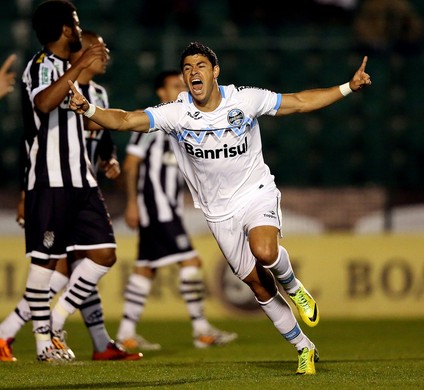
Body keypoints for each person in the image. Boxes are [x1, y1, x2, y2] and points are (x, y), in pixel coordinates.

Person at [67, 41, 371, 375]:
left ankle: (296, 288)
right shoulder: (177, 113)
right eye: (186, 68)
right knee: (257, 284)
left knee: (265, 251)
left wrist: (348, 87)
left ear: (215, 71)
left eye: (199, 65)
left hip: (255, 192)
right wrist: (89, 110)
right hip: (217, 212)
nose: (192, 72)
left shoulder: (244, 100)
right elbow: (125, 120)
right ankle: (304, 348)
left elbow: (298, 102)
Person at [0, 29, 141, 362]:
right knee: (62, 269)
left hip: (83, 185)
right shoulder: (55, 81)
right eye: (100, 47)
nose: (105, 53)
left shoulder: (99, 94)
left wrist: (109, 158)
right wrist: (24, 193)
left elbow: (102, 133)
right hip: (53, 187)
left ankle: (94, 339)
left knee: (87, 264)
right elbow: (33, 141)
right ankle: (19, 332)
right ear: (83, 53)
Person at [18, 0, 121, 362]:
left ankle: (58, 318)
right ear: (64, 29)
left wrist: (110, 148)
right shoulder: (42, 65)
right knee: (45, 262)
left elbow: (84, 121)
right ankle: (43, 343)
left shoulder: (72, 75)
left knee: (105, 254)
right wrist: (79, 65)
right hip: (50, 180)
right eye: (75, 24)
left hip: (82, 180)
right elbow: (44, 104)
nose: (79, 30)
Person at [116, 70, 237, 351]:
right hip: (158, 211)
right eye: (174, 85)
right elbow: (131, 165)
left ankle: (125, 333)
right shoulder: (151, 123)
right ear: (160, 92)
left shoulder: (180, 122)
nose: (181, 89)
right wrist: (132, 203)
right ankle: (201, 330)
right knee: (191, 263)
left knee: (146, 268)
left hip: (166, 209)